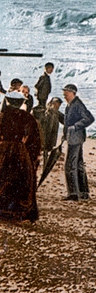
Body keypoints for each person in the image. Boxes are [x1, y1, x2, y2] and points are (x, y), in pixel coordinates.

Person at [0, 90, 42, 222]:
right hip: (20, 152)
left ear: (7, 101)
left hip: (3, 150)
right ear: (21, 103)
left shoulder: (2, 116)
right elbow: (35, 140)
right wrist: (33, 156)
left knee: (4, 178)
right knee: (23, 180)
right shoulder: (28, 117)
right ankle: (18, 211)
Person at [62, 84, 94, 201]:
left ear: (73, 93)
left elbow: (89, 119)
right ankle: (83, 192)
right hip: (73, 138)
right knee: (79, 165)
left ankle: (74, 193)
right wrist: (65, 134)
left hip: (76, 138)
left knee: (70, 165)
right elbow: (67, 122)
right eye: (64, 92)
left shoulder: (77, 104)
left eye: (66, 92)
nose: (64, 95)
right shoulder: (69, 105)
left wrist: (75, 126)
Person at [32, 97, 62, 163]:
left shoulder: (57, 113)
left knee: (46, 151)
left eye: (58, 105)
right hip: (43, 135)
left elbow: (65, 120)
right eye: (55, 104)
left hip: (51, 136)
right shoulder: (43, 111)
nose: (57, 106)